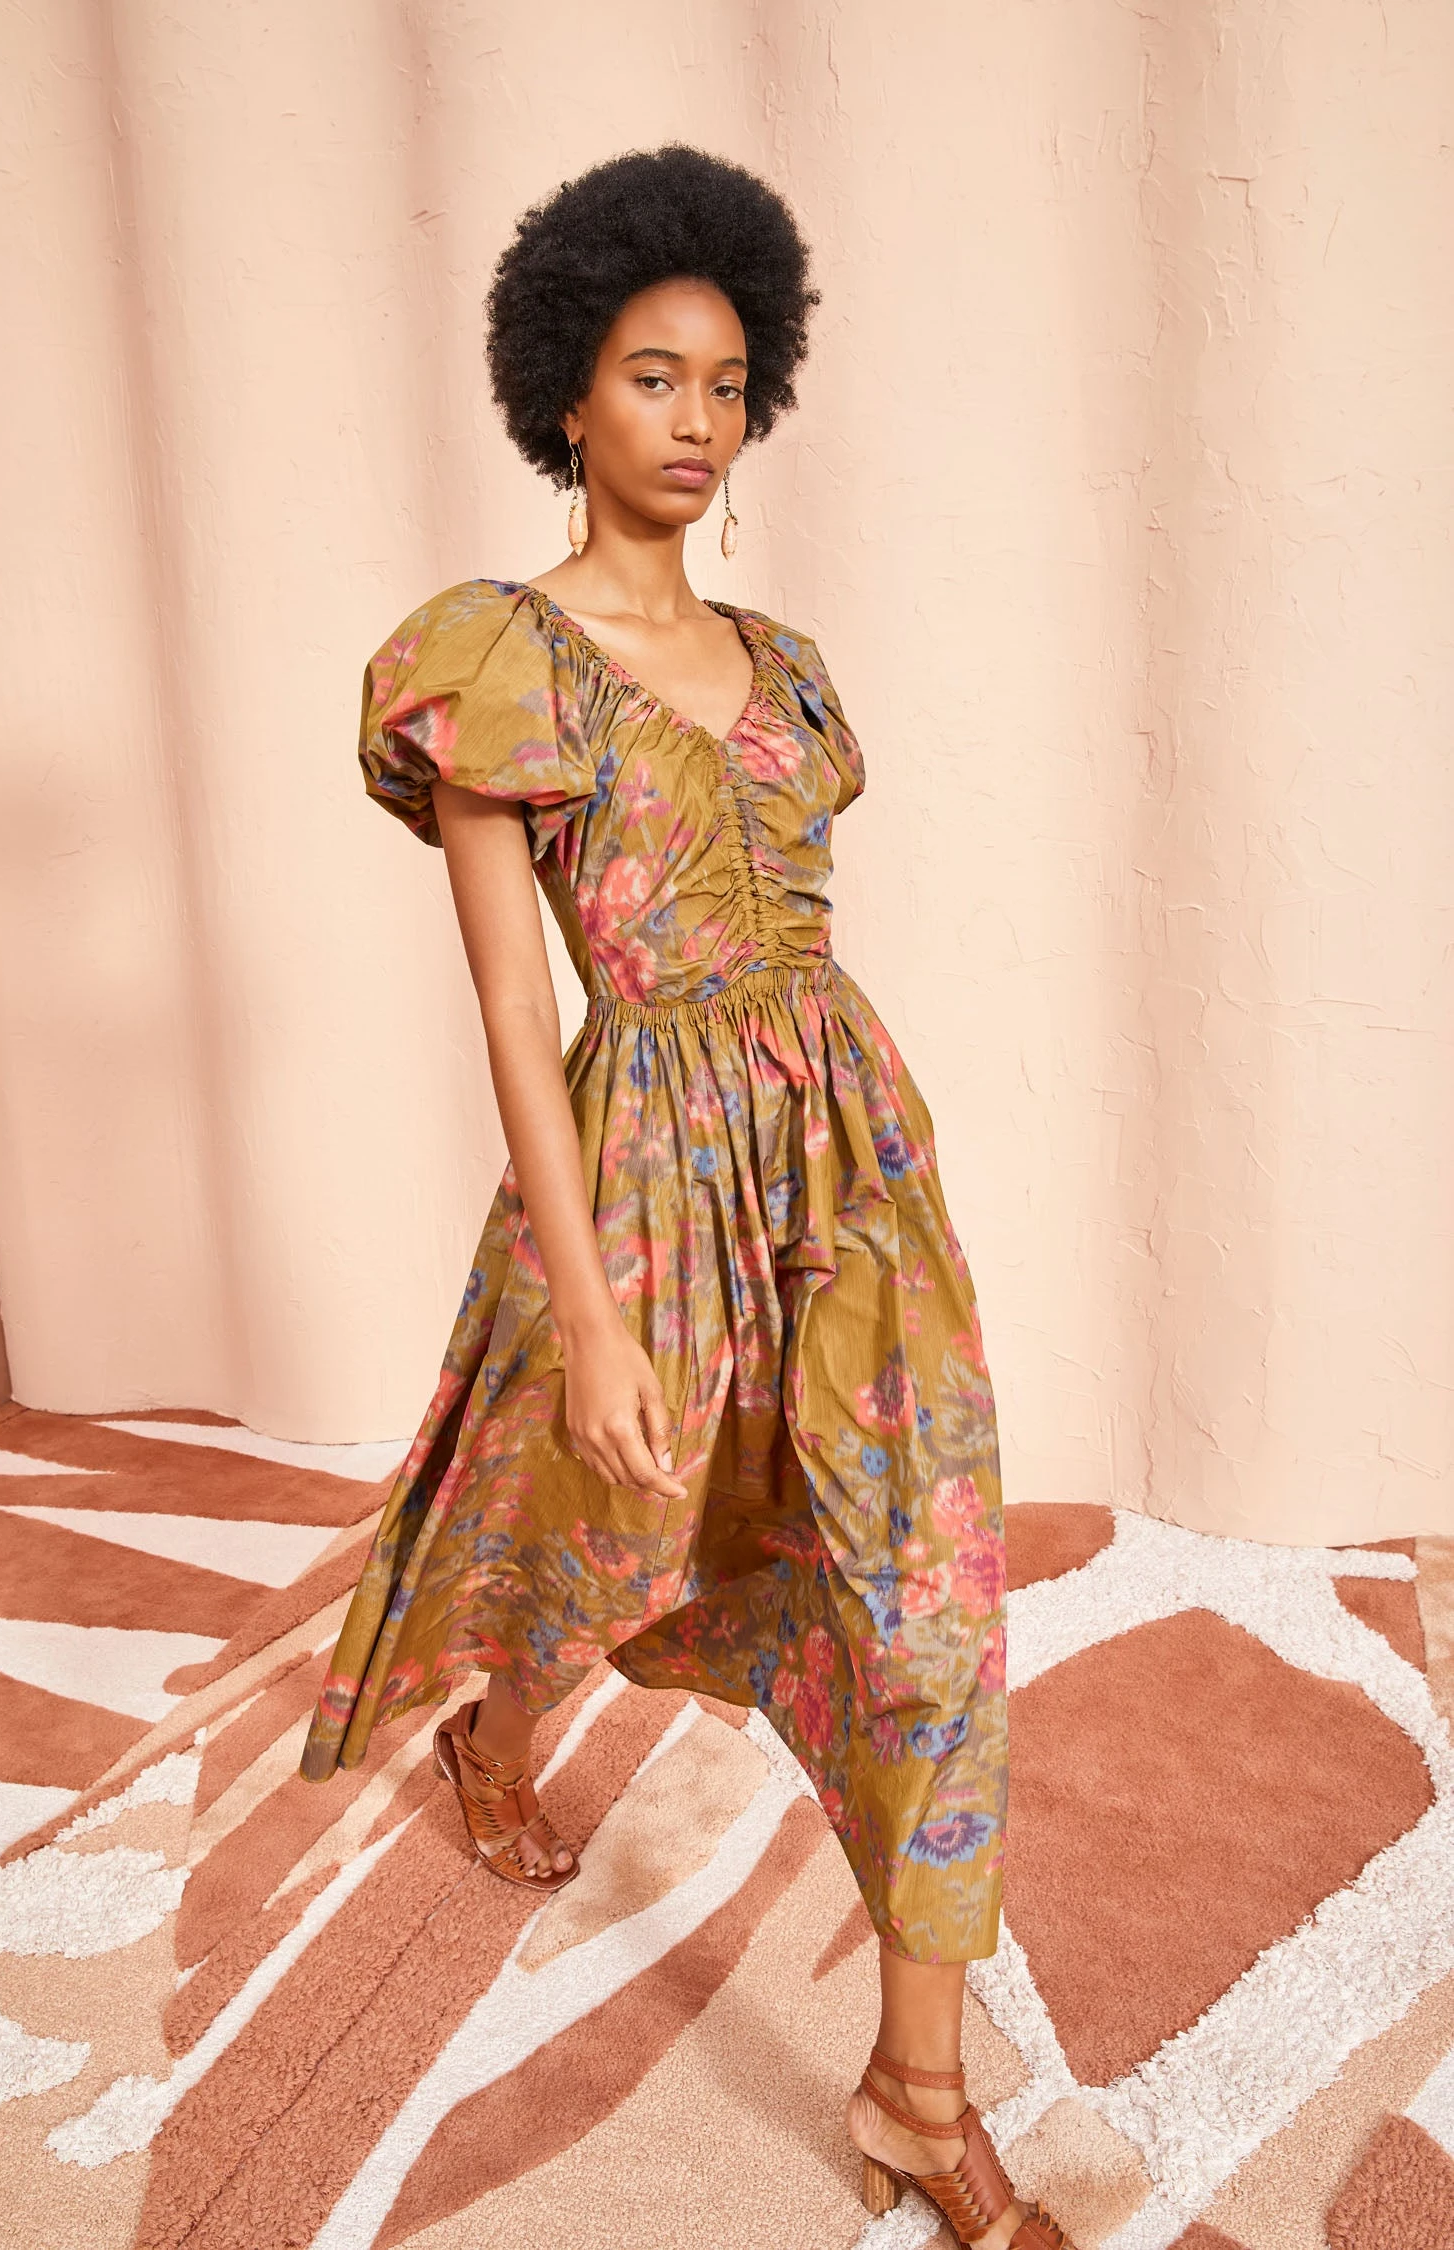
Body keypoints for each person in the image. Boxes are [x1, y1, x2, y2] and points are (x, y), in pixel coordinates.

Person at [300, 144, 1068, 2250]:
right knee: (597, 1527)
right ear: (567, 392)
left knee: (928, 1593)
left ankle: (921, 2090)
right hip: (641, 1169)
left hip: (850, 1161)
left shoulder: (788, 664)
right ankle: (495, 1738)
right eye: (654, 376)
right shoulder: (496, 659)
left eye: (728, 382)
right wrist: (591, 1308)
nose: (697, 419)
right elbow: (506, 997)